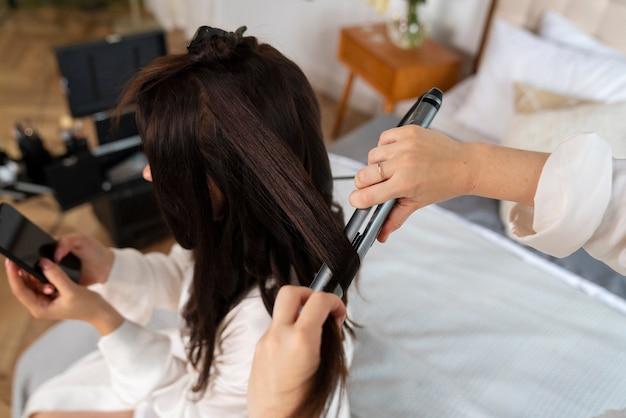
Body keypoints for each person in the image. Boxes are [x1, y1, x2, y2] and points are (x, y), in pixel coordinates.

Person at [6, 26, 359, 418]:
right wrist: (108, 266)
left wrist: (101, 318)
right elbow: (188, 278)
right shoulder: (241, 228)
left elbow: (191, 412)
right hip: (190, 376)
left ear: (227, 184)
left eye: (165, 164)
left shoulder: (266, 324)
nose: (148, 175)